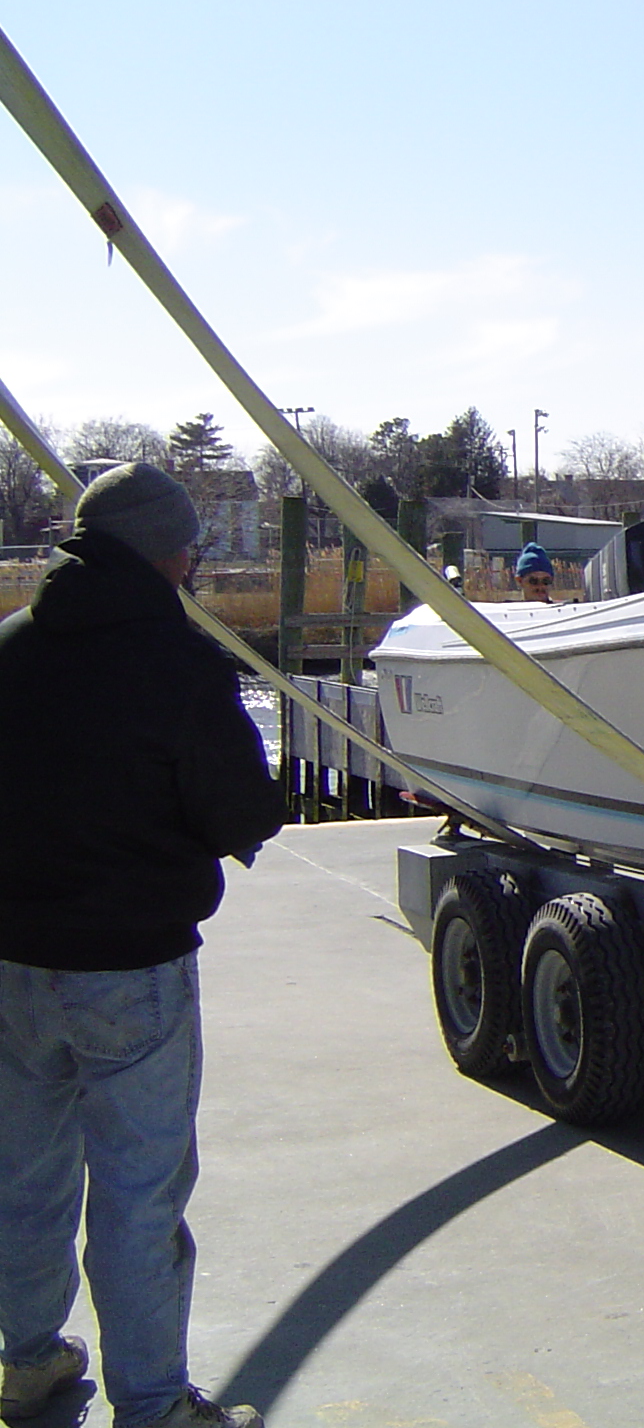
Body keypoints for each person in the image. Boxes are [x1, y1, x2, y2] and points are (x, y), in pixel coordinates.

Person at [0, 463, 284, 1428]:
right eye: (192, 543)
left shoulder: (10, 650)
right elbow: (243, 809)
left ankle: (28, 1361)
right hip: (131, 970)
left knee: (25, 1175)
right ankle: (155, 1405)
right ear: (165, 549)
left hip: (11, 962)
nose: (198, 559)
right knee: (137, 1195)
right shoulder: (180, 662)